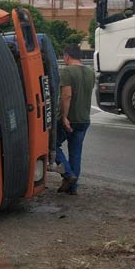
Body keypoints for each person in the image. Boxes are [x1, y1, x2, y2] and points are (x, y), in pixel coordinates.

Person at [56, 44, 95, 195]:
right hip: (85, 119)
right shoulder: (90, 72)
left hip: (70, 119)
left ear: (66, 56)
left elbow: (67, 95)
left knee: (52, 145)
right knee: (76, 153)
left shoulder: (67, 71)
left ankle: (67, 174)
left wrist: (64, 116)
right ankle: (72, 188)